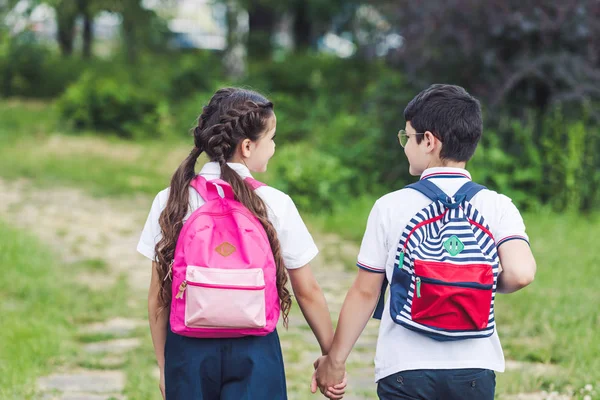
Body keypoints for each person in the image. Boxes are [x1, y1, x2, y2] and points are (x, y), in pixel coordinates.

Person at [313, 84, 537, 400]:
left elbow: (366, 291)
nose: (404, 145)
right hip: (474, 367)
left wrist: (334, 361)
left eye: (407, 137)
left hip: (406, 369)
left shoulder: (390, 206)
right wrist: (473, 279)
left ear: (428, 141)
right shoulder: (498, 205)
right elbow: (521, 273)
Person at [137, 87, 346, 399]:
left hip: (189, 349)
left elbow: (158, 296)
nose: (273, 147)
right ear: (247, 146)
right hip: (255, 350)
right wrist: (332, 359)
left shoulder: (171, 199)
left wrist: (164, 364)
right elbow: (308, 291)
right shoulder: (274, 202)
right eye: (271, 138)